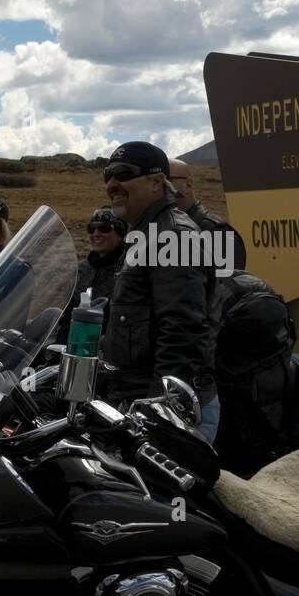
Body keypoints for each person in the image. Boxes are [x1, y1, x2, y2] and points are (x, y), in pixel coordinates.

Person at [99, 143, 219, 442]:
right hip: (136, 402)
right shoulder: (145, 233)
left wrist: (157, 413)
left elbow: (182, 332)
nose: (112, 184)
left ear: (156, 182)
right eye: (107, 176)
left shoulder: (172, 236)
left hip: (165, 413)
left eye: (123, 174)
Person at [56, 206, 127, 343]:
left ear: (120, 235)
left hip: (107, 350)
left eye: (104, 229)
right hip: (71, 346)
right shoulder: (81, 269)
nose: (96, 234)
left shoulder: (128, 271)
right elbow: (67, 314)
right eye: (91, 228)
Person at [168, 158, 247, 271]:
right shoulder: (154, 231)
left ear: (188, 185)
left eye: (167, 180)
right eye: (154, 182)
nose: (157, 188)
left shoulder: (217, 234)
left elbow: (228, 286)